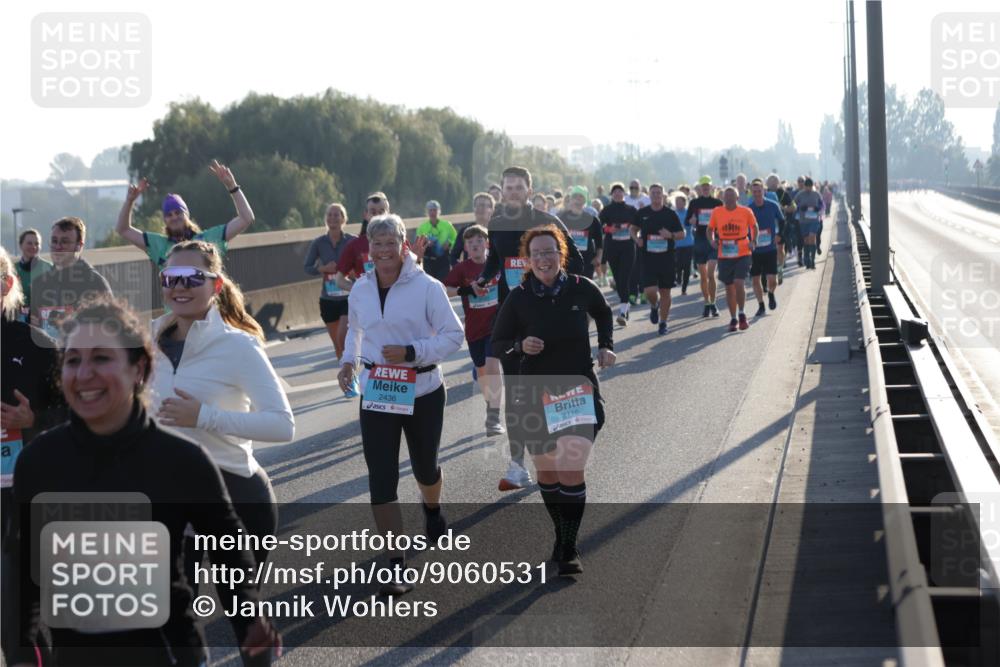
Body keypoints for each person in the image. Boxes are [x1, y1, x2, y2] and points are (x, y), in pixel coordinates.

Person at [12, 295, 280, 667]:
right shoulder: (38, 462)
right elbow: (25, 569)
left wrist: (250, 620)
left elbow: (228, 548)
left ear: (139, 369)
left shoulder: (181, 460)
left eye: (102, 357)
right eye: (73, 360)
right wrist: (22, 652)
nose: (84, 373)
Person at [150, 241, 294, 600]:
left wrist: (205, 417)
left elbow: (282, 425)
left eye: (192, 278)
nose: (179, 287)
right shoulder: (146, 340)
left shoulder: (239, 347)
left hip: (238, 495)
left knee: (244, 617)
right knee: (172, 620)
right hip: (169, 496)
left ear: (215, 285)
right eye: (171, 278)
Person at [338, 214, 463, 595]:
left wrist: (412, 351)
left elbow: (453, 336)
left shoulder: (427, 287)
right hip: (378, 390)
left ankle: (432, 509)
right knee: (381, 477)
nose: (383, 250)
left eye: (390, 242)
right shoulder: (360, 288)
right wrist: (347, 362)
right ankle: (395, 564)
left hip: (423, 388)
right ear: (369, 249)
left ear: (404, 245)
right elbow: (356, 331)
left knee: (426, 469)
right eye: (376, 244)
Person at [491, 225, 615, 575]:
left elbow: (603, 312)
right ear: (527, 261)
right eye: (536, 254)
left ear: (560, 254)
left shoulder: (581, 288)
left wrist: (606, 344)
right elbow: (497, 344)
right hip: (535, 392)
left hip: (577, 389)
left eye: (549, 252)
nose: (543, 259)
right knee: (547, 471)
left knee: (571, 469)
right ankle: (561, 536)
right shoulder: (519, 298)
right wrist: (520, 346)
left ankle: (567, 544)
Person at [476, 166, 583, 492]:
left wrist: (552, 280)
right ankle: (517, 465)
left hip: (547, 317)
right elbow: (496, 259)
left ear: (528, 189)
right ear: (503, 191)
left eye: (518, 187)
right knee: (517, 394)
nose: (512, 192)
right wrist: (484, 276)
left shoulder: (545, 221)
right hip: (512, 317)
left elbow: (576, 260)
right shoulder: (495, 223)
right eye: (507, 188)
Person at [0, 247, 62, 666]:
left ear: (5, 285)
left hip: (20, 497)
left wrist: (33, 418)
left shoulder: (37, 344)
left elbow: (80, 414)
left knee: (18, 622)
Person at [115, 161, 255, 268]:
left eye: (178, 212)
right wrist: (129, 201)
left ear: (187, 214)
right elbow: (123, 229)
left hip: (208, 306)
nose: (174, 217)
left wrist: (232, 187)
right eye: (169, 215)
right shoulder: (159, 245)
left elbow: (246, 218)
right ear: (165, 220)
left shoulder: (209, 239)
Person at [444, 224, 504, 436]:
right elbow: (446, 290)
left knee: (492, 366)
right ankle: (491, 406)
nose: (475, 245)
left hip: (497, 325)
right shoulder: (462, 269)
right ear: (466, 249)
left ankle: (494, 417)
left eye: (479, 240)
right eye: (470, 243)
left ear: (487, 243)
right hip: (474, 329)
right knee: (482, 372)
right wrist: (466, 289)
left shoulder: (497, 264)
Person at [30, 217, 112, 340]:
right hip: (47, 356)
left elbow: (111, 330)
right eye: (54, 241)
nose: (58, 247)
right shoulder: (39, 283)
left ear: (79, 246)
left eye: (65, 242)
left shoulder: (95, 284)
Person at [631, 184, 685, 335]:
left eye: (658, 193)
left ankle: (663, 323)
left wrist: (671, 235)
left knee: (666, 292)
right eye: (653, 193)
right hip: (647, 258)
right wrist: (637, 239)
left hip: (666, 258)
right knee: (650, 291)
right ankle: (654, 305)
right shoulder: (642, 213)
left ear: (663, 195)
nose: (656, 195)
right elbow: (632, 229)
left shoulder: (670, 214)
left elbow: (682, 234)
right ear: (649, 195)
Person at [303, 203, 356, 359]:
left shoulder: (352, 241)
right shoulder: (319, 243)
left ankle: (350, 368)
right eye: (330, 215)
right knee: (338, 346)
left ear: (343, 219)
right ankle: (346, 378)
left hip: (348, 296)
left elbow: (363, 264)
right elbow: (307, 267)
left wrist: (353, 270)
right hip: (328, 298)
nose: (333, 218)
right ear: (326, 219)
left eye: (336, 215)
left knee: (343, 337)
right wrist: (323, 269)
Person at [708, 186, 758, 332]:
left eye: (732, 196)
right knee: (729, 287)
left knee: (739, 282)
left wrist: (754, 241)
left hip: (743, 251)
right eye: (726, 196)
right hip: (724, 253)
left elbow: (754, 226)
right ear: (723, 198)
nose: (729, 199)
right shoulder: (717, 212)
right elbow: (710, 229)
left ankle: (742, 313)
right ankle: (733, 318)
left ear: (737, 198)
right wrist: (712, 241)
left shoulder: (745, 211)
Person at [600, 183, 639, 326]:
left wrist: (631, 229)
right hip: (612, 248)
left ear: (624, 194)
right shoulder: (607, 210)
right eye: (615, 192)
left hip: (628, 247)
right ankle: (625, 305)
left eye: (620, 191)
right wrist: (610, 229)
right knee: (618, 278)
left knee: (624, 278)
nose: (617, 194)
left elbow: (638, 225)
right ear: (612, 194)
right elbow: (600, 227)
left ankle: (623, 310)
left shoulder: (631, 209)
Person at [685, 176, 723, 318]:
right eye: (703, 186)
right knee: (703, 276)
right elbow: (686, 221)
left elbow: (724, 219)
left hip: (713, 240)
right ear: (700, 188)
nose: (706, 188)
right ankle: (707, 303)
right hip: (700, 240)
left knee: (711, 274)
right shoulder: (694, 203)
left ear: (712, 187)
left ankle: (713, 303)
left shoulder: (718, 203)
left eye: (708, 185)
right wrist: (691, 220)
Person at [747, 179, 783, 316]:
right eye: (754, 191)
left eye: (759, 191)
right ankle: (761, 305)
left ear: (764, 191)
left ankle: (771, 293)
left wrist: (780, 235)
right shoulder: (749, 209)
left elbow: (782, 220)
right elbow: (744, 227)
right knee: (755, 279)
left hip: (770, 248)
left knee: (772, 280)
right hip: (755, 250)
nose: (756, 194)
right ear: (751, 192)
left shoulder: (773, 205)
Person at [559, 186, 603, 280]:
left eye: (581, 197)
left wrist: (598, 258)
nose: (578, 199)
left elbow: (600, 242)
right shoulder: (561, 219)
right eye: (575, 196)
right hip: (567, 262)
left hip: (587, 262)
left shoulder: (593, 220)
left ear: (585, 201)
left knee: (585, 291)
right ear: (571, 199)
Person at [14, 229, 52, 319]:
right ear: (20, 245)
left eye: (37, 244)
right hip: (19, 320)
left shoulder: (49, 268)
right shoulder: (12, 270)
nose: (33, 247)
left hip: (43, 319)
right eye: (29, 243)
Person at [416, 200, 457, 282]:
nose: (432, 212)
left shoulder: (447, 225)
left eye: (434, 210)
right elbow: (417, 244)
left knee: (443, 283)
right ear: (427, 212)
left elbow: (456, 238)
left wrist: (449, 244)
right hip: (428, 261)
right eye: (430, 210)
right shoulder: (422, 227)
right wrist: (426, 243)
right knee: (429, 284)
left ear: (439, 211)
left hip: (443, 260)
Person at [794, 177, 824, 270]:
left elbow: (822, 205)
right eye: (807, 187)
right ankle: (806, 259)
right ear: (804, 187)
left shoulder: (816, 194)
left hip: (814, 220)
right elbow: (794, 205)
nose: (808, 189)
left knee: (812, 238)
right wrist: (799, 208)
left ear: (812, 186)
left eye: (810, 187)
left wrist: (818, 208)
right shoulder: (800, 194)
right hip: (803, 221)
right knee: (806, 240)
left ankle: (812, 260)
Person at [672, 191, 695, 295]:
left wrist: (691, 222)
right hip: (676, 244)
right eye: (676, 202)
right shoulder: (673, 213)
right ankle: (678, 278)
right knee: (677, 264)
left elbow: (692, 224)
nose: (678, 204)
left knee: (686, 266)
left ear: (684, 203)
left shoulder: (688, 213)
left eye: (680, 202)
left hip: (688, 243)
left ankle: (684, 287)